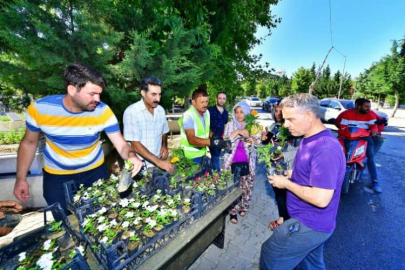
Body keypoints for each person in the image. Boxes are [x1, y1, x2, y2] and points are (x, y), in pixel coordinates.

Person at [13, 63, 143, 214]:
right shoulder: (40, 109)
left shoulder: (103, 111)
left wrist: (132, 156)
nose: (98, 99)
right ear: (72, 89)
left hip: (95, 173)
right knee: (64, 222)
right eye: (92, 94)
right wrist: (21, 178)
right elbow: (29, 143)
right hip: (57, 178)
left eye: (99, 94)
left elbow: (121, 144)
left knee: (99, 217)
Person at [260, 93, 345, 270]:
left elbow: (321, 199)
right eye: (284, 119)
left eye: (291, 119)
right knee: (311, 264)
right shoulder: (309, 137)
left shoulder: (325, 149)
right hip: (314, 223)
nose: (286, 124)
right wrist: (288, 173)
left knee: (270, 254)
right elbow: (310, 173)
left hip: (308, 224)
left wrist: (286, 184)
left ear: (308, 116)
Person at [261, 99, 302, 230]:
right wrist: (263, 139)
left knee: (288, 196)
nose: (277, 113)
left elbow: (302, 150)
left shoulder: (294, 129)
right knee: (279, 195)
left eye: (280, 111)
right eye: (276, 110)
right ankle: (282, 218)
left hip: (288, 168)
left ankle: (288, 223)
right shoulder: (276, 126)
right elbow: (266, 143)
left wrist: (285, 155)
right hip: (275, 168)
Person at [123, 77, 173, 173]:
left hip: (158, 163)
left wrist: (164, 146)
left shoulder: (160, 110)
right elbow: (135, 145)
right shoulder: (132, 112)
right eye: (153, 94)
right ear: (143, 93)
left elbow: (164, 131)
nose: (158, 99)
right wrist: (158, 162)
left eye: (159, 94)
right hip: (139, 166)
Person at [223, 101, 260, 224]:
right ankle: (233, 212)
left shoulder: (252, 125)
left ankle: (243, 207)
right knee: (234, 189)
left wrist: (252, 138)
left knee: (247, 187)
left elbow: (258, 142)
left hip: (248, 162)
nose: (239, 115)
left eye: (241, 111)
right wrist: (238, 131)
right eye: (236, 112)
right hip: (232, 162)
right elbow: (226, 140)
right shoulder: (230, 124)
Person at [335, 98, 382, 193]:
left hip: (364, 138)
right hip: (346, 138)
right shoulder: (346, 114)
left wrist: (374, 132)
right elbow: (341, 126)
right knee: (333, 153)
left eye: (369, 106)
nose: (369, 108)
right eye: (366, 106)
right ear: (358, 106)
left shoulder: (370, 116)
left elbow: (374, 127)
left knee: (370, 158)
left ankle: (375, 181)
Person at [178, 85, 228, 164]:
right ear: (194, 102)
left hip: (202, 153)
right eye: (202, 102)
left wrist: (214, 136)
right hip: (191, 157)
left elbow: (206, 130)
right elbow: (191, 139)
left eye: (206, 101)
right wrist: (212, 142)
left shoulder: (206, 112)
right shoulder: (188, 116)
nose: (205, 104)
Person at [208, 92, 229, 171]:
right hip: (211, 138)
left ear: (225, 100)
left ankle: (212, 171)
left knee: (217, 155)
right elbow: (205, 125)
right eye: (220, 98)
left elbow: (225, 125)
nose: (221, 100)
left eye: (223, 99)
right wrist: (211, 135)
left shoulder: (226, 113)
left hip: (220, 138)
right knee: (215, 156)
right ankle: (217, 175)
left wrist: (225, 137)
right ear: (216, 99)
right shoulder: (209, 110)